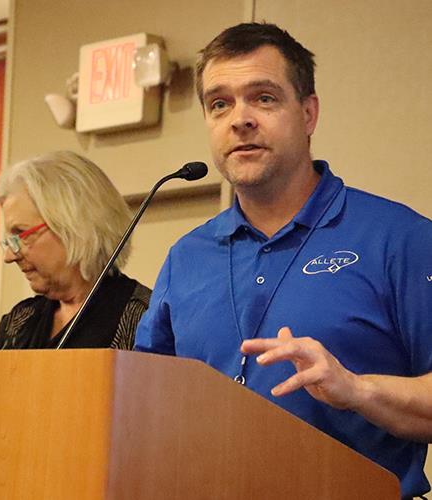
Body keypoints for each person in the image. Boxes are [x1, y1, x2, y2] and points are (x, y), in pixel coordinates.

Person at [134, 22, 432, 499]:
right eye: (219, 104)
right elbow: (143, 401)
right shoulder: (186, 257)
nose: (240, 119)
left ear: (308, 113)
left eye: (264, 98)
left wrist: (356, 390)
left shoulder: (400, 238)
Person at [0, 150, 150, 350]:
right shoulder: (18, 324)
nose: (9, 256)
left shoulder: (145, 319)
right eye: (9, 240)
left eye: (21, 234)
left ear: (75, 226)